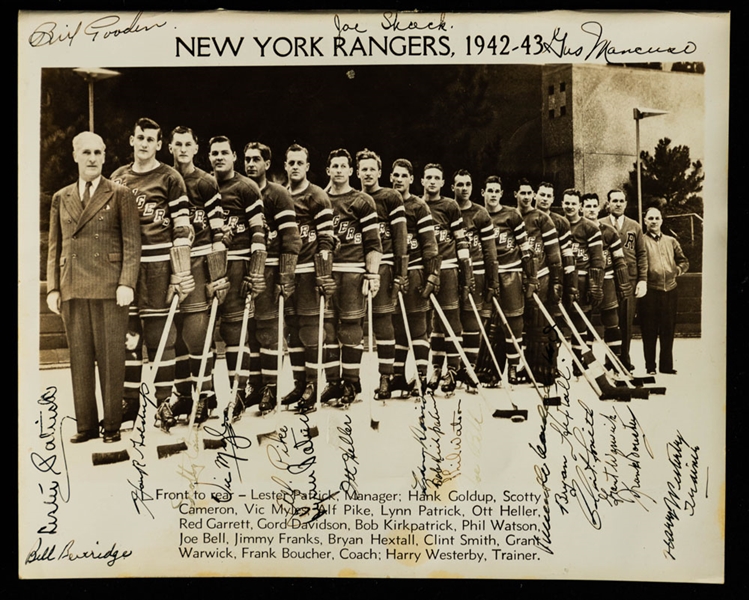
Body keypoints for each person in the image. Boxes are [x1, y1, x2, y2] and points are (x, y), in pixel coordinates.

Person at [47, 131, 141, 444]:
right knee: (80, 359)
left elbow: (131, 243)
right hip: (72, 284)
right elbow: (54, 245)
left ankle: (112, 425)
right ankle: (85, 426)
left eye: (98, 153)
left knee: (112, 358)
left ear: (104, 156)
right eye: (86, 152)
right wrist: (53, 288)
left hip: (109, 286)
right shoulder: (62, 197)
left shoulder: (119, 193)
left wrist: (126, 282)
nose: (92, 159)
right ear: (75, 156)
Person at [111, 118, 195, 432]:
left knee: (162, 337)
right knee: (129, 338)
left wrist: (179, 272)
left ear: (160, 144)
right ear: (132, 141)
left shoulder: (171, 178)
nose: (144, 143)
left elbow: (183, 228)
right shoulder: (118, 177)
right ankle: (129, 403)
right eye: (139, 138)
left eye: (150, 139)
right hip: (129, 267)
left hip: (160, 265)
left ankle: (164, 403)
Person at [167, 126, 227, 423]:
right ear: (170, 147)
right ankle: (183, 396)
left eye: (187, 144)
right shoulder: (164, 178)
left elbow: (218, 232)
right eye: (177, 144)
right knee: (175, 334)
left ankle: (205, 396)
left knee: (196, 332)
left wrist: (217, 275)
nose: (182, 149)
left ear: (195, 147)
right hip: (170, 264)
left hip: (200, 263)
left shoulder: (205, 181)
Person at [207, 136, 267, 421]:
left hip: (237, 264)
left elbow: (258, 231)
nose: (219, 158)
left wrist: (254, 270)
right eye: (214, 153)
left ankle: (237, 395)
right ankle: (204, 395)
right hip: (208, 265)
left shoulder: (246, 187)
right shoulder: (205, 185)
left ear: (233, 156)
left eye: (224, 153)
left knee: (234, 331)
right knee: (202, 329)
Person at [319, 148, 383, 407]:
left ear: (350, 170)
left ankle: (351, 381)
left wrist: (373, 274)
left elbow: (373, 243)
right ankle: (333, 382)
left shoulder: (362, 201)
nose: (338, 170)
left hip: (354, 272)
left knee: (350, 328)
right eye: (334, 166)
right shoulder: (320, 198)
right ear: (328, 170)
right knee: (327, 328)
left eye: (343, 166)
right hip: (325, 272)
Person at [243, 141, 301, 413]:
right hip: (244, 269)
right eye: (247, 159)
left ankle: (270, 387)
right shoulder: (238, 190)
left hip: (270, 267)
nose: (251, 164)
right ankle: (254, 385)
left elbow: (291, 238)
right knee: (248, 331)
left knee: (269, 330)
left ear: (267, 164)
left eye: (257, 159)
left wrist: (286, 275)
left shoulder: (278, 194)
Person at [280, 144, 337, 413]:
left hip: (311, 272)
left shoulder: (317, 196)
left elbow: (327, 238)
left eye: (299, 162)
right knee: (292, 331)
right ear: (285, 165)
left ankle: (314, 385)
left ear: (307, 166)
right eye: (290, 162)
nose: (294, 167)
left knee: (311, 332)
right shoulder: (281, 195)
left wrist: (324, 273)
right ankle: (299, 383)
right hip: (289, 271)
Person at [356, 149, 408, 400]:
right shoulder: (351, 197)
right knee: (352, 326)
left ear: (379, 171)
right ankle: (350, 381)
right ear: (357, 172)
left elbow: (400, 239)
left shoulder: (390, 196)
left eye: (371, 169)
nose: (367, 173)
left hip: (385, 267)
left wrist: (400, 273)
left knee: (383, 323)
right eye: (363, 169)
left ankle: (385, 377)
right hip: (357, 269)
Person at [389, 158, 440, 396]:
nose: (399, 179)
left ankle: (420, 377)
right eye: (395, 175)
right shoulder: (385, 202)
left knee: (418, 326)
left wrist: (432, 276)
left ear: (411, 179)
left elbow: (429, 245)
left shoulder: (419, 206)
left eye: (403, 175)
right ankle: (398, 376)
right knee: (397, 326)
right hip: (392, 271)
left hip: (417, 270)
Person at [480, 176, 536, 385]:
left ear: (502, 194)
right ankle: (484, 368)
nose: (493, 194)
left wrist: (530, 277)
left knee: (513, 321)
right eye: (489, 190)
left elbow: (525, 249)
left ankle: (513, 366)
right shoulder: (479, 215)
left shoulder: (511, 215)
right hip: (486, 275)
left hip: (510, 273)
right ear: (483, 192)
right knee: (483, 321)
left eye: (497, 191)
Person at [423, 163, 473, 395]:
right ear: (422, 181)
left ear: (443, 183)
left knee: (451, 317)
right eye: (428, 177)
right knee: (434, 322)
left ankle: (452, 369)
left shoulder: (450, 206)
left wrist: (466, 271)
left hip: (449, 267)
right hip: (424, 270)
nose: (432, 181)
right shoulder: (416, 204)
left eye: (437, 178)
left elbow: (461, 241)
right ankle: (435, 367)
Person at [452, 169, 498, 393]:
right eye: (459, 184)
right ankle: (448, 369)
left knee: (471, 319)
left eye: (467, 184)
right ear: (452, 187)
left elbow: (490, 252)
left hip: (476, 271)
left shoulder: (480, 213)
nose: (464, 188)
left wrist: (492, 280)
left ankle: (470, 368)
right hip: (451, 271)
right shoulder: (446, 209)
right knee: (447, 320)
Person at [517, 178, 562, 385]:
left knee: (541, 323)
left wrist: (556, 282)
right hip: (517, 276)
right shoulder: (511, 215)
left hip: (540, 276)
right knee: (520, 322)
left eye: (529, 193)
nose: (527, 197)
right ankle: (520, 366)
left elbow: (554, 255)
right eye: (523, 193)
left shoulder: (544, 219)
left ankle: (544, 369)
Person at [582, 193, 633, 366]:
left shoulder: (608, 231)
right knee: (584, 321)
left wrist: (623, 282)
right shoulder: (577, 230)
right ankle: (582, 363)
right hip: (584, 281)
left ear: (599, 207)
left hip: (607, 280)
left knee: (612, 321)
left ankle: (614, 361)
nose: (591, 209)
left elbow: (619, 259)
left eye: (593, 206)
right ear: (581, 208)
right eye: (587, 206)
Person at [640, 206, 689, 375]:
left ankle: (666, 366)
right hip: (650, 291)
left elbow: (684, 261)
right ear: (645, 221)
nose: (654, 221)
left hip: (670, 290)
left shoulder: (671, 241)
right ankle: (650, 367)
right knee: (649, 329)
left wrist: (676, 271)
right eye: (650, 218)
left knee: (668, 328)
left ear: (662, 220)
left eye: (657, 218)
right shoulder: (642, 241)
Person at [605, 189, 648, 371]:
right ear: (608, 203)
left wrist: (642, 279)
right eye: (614, 200)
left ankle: (624, 359)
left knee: (626, 321)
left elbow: (641, 254)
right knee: (610, 321)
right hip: (607, 278)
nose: (618, 204)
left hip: (629, 279)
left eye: (621, 200)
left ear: (626, 203)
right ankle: (610, 360)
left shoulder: (635, 226)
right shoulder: (599, 225)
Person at [562, 189, 604, 374]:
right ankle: (551, 365)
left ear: (580, 206)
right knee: (557, 321)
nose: (570, 207)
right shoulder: (556, 224)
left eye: (573, 203)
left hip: (581, 279)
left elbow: (597, 260)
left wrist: (595, 284)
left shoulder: (589, 227)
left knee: (580, 323)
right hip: (561, 279)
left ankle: (580, 364)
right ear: (562, 203)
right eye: (567, 203)